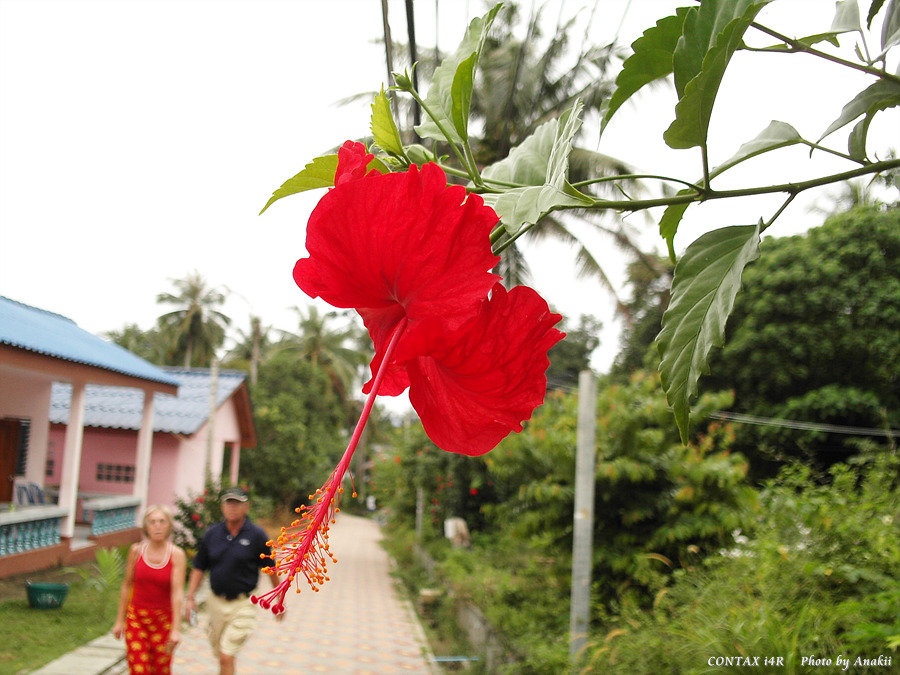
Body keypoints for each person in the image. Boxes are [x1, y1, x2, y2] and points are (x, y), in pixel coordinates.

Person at [184, 486, 278, 675]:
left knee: (227, 655)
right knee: (221, 654)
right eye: (229, 503)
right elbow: (199, 567)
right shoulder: (212, 534)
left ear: (246, 507)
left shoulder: (257, 535)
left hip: (244, 603)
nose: (232, 507)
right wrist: (190, 597)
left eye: (237, 503)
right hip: (216, 603)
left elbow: (271, 568)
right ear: (223, 506)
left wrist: (279, 598)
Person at [113, 504, 187, 675]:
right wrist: (119, 621)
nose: (157, 526)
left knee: (161, 670)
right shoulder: (136, 551)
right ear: (146, 527)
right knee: (139, 670)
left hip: (163, 622)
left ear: (169, 526)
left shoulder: (176, 555)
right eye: (152, 522)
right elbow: (127, 585)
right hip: (136, 620)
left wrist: (176, 629)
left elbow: (177, 593)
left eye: (162, 522)